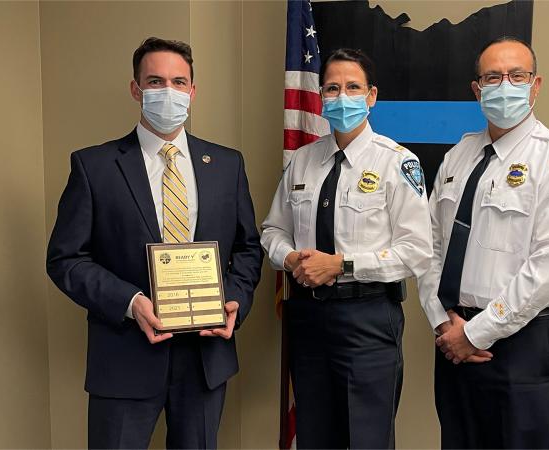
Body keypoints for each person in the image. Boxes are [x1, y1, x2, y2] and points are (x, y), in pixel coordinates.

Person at [46, 37, 262, 449]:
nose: (169, 92)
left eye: (179, 82)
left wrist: (234, 299)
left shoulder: (227, 164)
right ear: (136, 89)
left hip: (205, 360)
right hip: (126, 355)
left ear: (193, 91)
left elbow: (248, 248)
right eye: (156, 81)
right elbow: (65, 259)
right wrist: (131, 303)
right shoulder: (93, 167)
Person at [418, 36, 549, 449]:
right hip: (454, 336)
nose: (505, 85)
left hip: (522, 344)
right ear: (477, 89)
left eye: (517, 75)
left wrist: (478, 332)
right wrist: (442, 320)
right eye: (493, 77)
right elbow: (430, 245)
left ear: (536, 86)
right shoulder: (459, 155)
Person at [261, 48, 432, 449]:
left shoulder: (397, 163)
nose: (342, 97)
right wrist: (290, 258)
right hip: (308, 318)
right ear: (321, 97)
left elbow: (416, 251)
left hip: (367, 320)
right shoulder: (302, 161)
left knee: (365, 438)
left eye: (352, 87)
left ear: (371, 96)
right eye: (332, 88)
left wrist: (342, 264)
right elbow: (272, 231)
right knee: (315, 436)